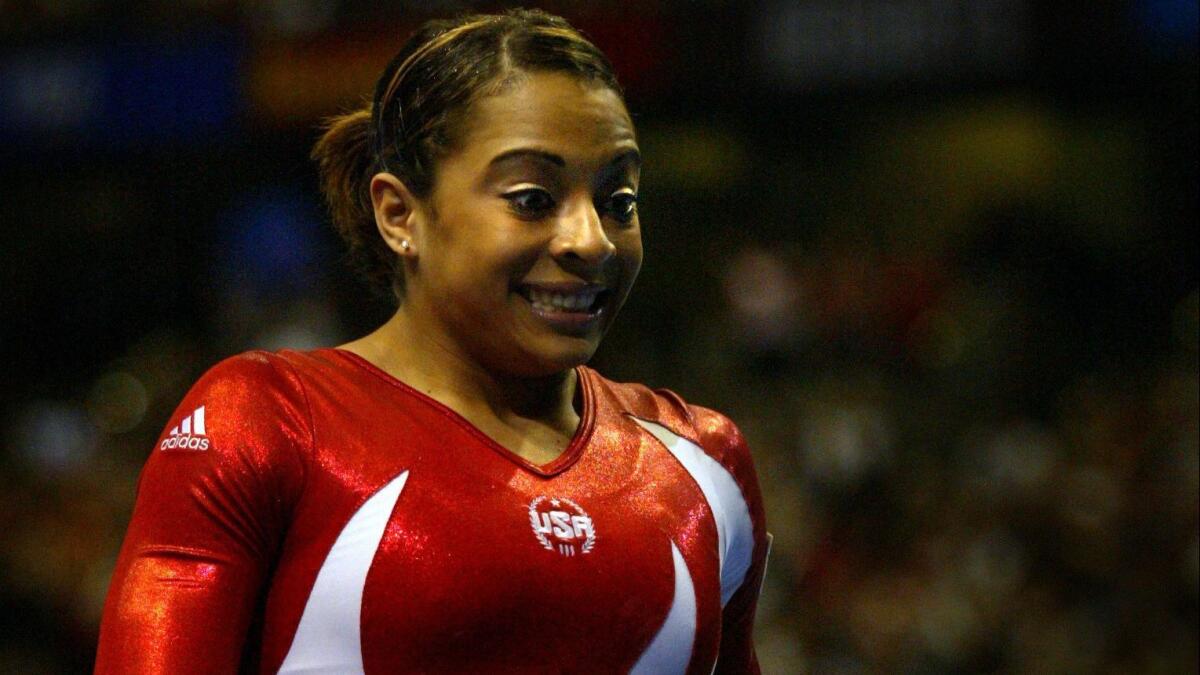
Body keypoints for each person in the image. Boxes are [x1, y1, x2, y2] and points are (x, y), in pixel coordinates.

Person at [95, 9, 768, 674]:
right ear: (399, 213)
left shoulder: (702, 463)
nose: (590, 240)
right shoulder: (270, 422)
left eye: (618, 200)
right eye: (533, 198)